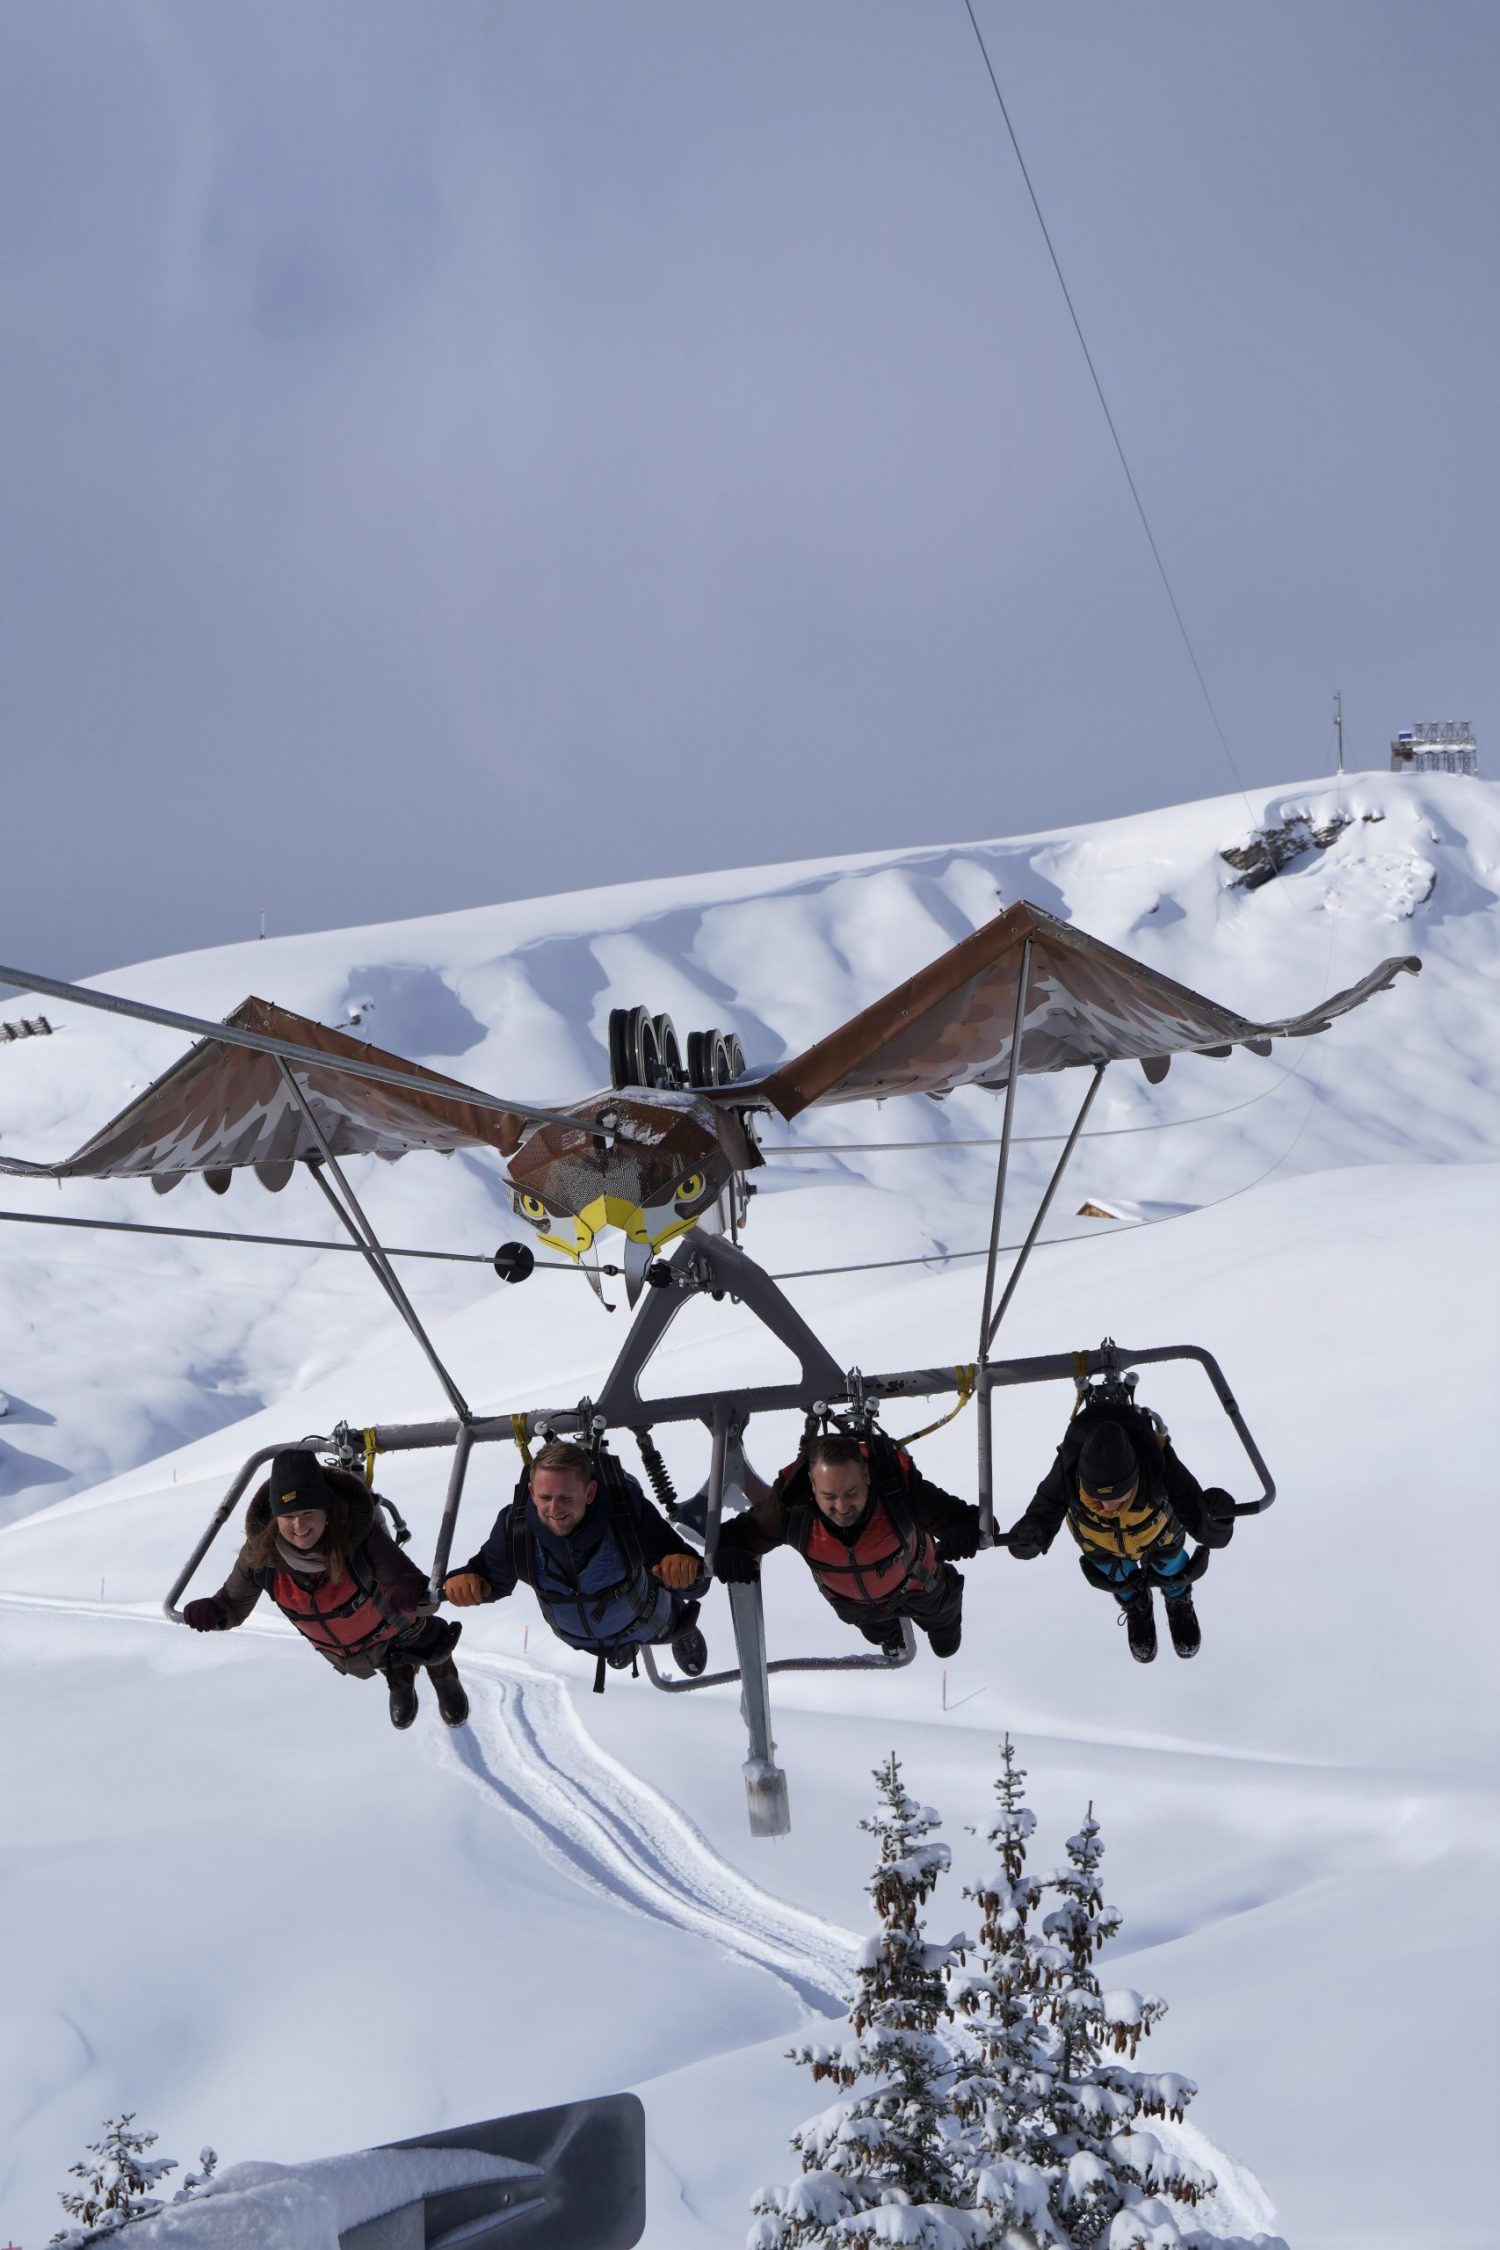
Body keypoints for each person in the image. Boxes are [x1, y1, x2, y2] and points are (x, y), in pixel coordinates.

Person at [182, 1447, 469, 1728]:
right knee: (385, 1661)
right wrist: (214, 1611)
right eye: (287, 1516)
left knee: (432, 1645)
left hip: (396, 1624)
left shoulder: (357, 1534)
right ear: (274, 1518)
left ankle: (444, 1673)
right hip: (350, 1646)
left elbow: (399, 1573)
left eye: (308, 1512)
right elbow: (232, 1604)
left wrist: (406, 1586)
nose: (299, 1526)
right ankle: (400, 1680)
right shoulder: (261, 1556)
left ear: (326, 1509)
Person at [443, 1439, 709, 1689]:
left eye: (566, 1497)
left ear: (590, 1492)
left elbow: (691, 1576)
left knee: (673, 1617)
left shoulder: (624, 1515)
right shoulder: (518, 1529)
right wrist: (466, 1580)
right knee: (609, 1640)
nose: (555, 1509)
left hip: (648, 1620)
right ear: (532, 1494)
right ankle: (617, 1647)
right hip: (576, 1636)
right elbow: (490, 1577)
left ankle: (681, 1633)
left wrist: (684, 1571)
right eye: (546, 1498)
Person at [712, 1428, 982, 1660]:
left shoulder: (899, 1492)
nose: (842, 1507)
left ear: (866, 1476)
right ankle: (890, 1635)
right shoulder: (789, 1508)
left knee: (945, 1638)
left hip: (920, 1585)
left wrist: (964, 1535)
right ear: (812, 1485)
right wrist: (728, 1554)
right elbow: (737, 1535)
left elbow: (971, 1520)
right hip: (854, 1603)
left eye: (851, 1493)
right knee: (878, 1629)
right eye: (829, 1496)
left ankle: (944, 1628)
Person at [1005, 1399, 1237, 1662]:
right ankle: (1136, 1605)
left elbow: (1197, 1518)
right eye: (1097, 1497)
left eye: (1119, 1496)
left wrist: (1216, 1521)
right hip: (1100, 1542)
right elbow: (1043, 1510)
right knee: (1117, 1574)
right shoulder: (1068, 1466)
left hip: (1156, 1533)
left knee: (1170, 1562)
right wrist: (1030, 1537)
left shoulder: (1156, 1460)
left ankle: (1177, 1597)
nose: (1108, 1505)